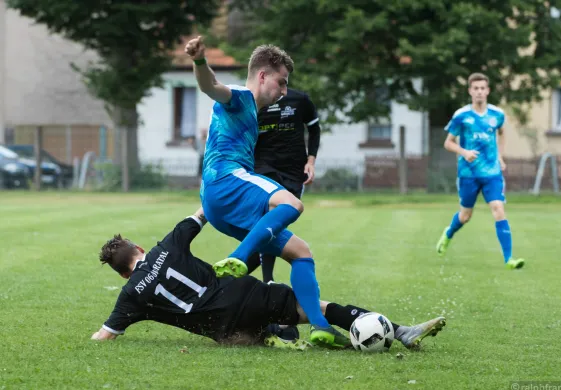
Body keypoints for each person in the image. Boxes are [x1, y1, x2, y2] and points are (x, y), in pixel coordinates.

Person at [90, 208, 447, 352]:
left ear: (122, 272)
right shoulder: (169, 244)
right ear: (138, 246)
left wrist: (96, 335)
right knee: (315, 308)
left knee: (241, 336)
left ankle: (273, 335)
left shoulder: (129, 295)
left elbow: (104, 336)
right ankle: (399, 330)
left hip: (224, 328)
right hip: (246, 293)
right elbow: (204, 209)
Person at [184, 36, 342, 346]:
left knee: (301, 252)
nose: (284, 91)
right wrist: (200, 60)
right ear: (262, 75)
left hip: (221, 203)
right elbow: (210, 86)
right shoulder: (241, 97)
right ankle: (240, 258)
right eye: (281, 82)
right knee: (292, 204)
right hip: (228, 183)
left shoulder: (252, 111)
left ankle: (321, 326)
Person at [435, 73, 525, 270]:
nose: (479, 92)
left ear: (488, 91)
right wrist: (464, 152)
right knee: (465, 215)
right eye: (475, 88)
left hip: (492, 174)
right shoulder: (462, 116)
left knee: (498, 209)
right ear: (470, 91)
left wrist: (501, 156)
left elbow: (502, 134)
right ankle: (449, 233)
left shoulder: (497, 115)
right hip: (468, 174)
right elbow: (448, 142)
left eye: (482, 88)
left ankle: (509, 259)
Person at [246, 88, 321, 283]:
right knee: (271, 220)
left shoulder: (299, 99)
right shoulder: (250, 102)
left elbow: (314, 128)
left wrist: (310, 162)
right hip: (263, 168)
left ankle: (232, 272)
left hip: (294, 171)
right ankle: (268, 281)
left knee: (274, 229)